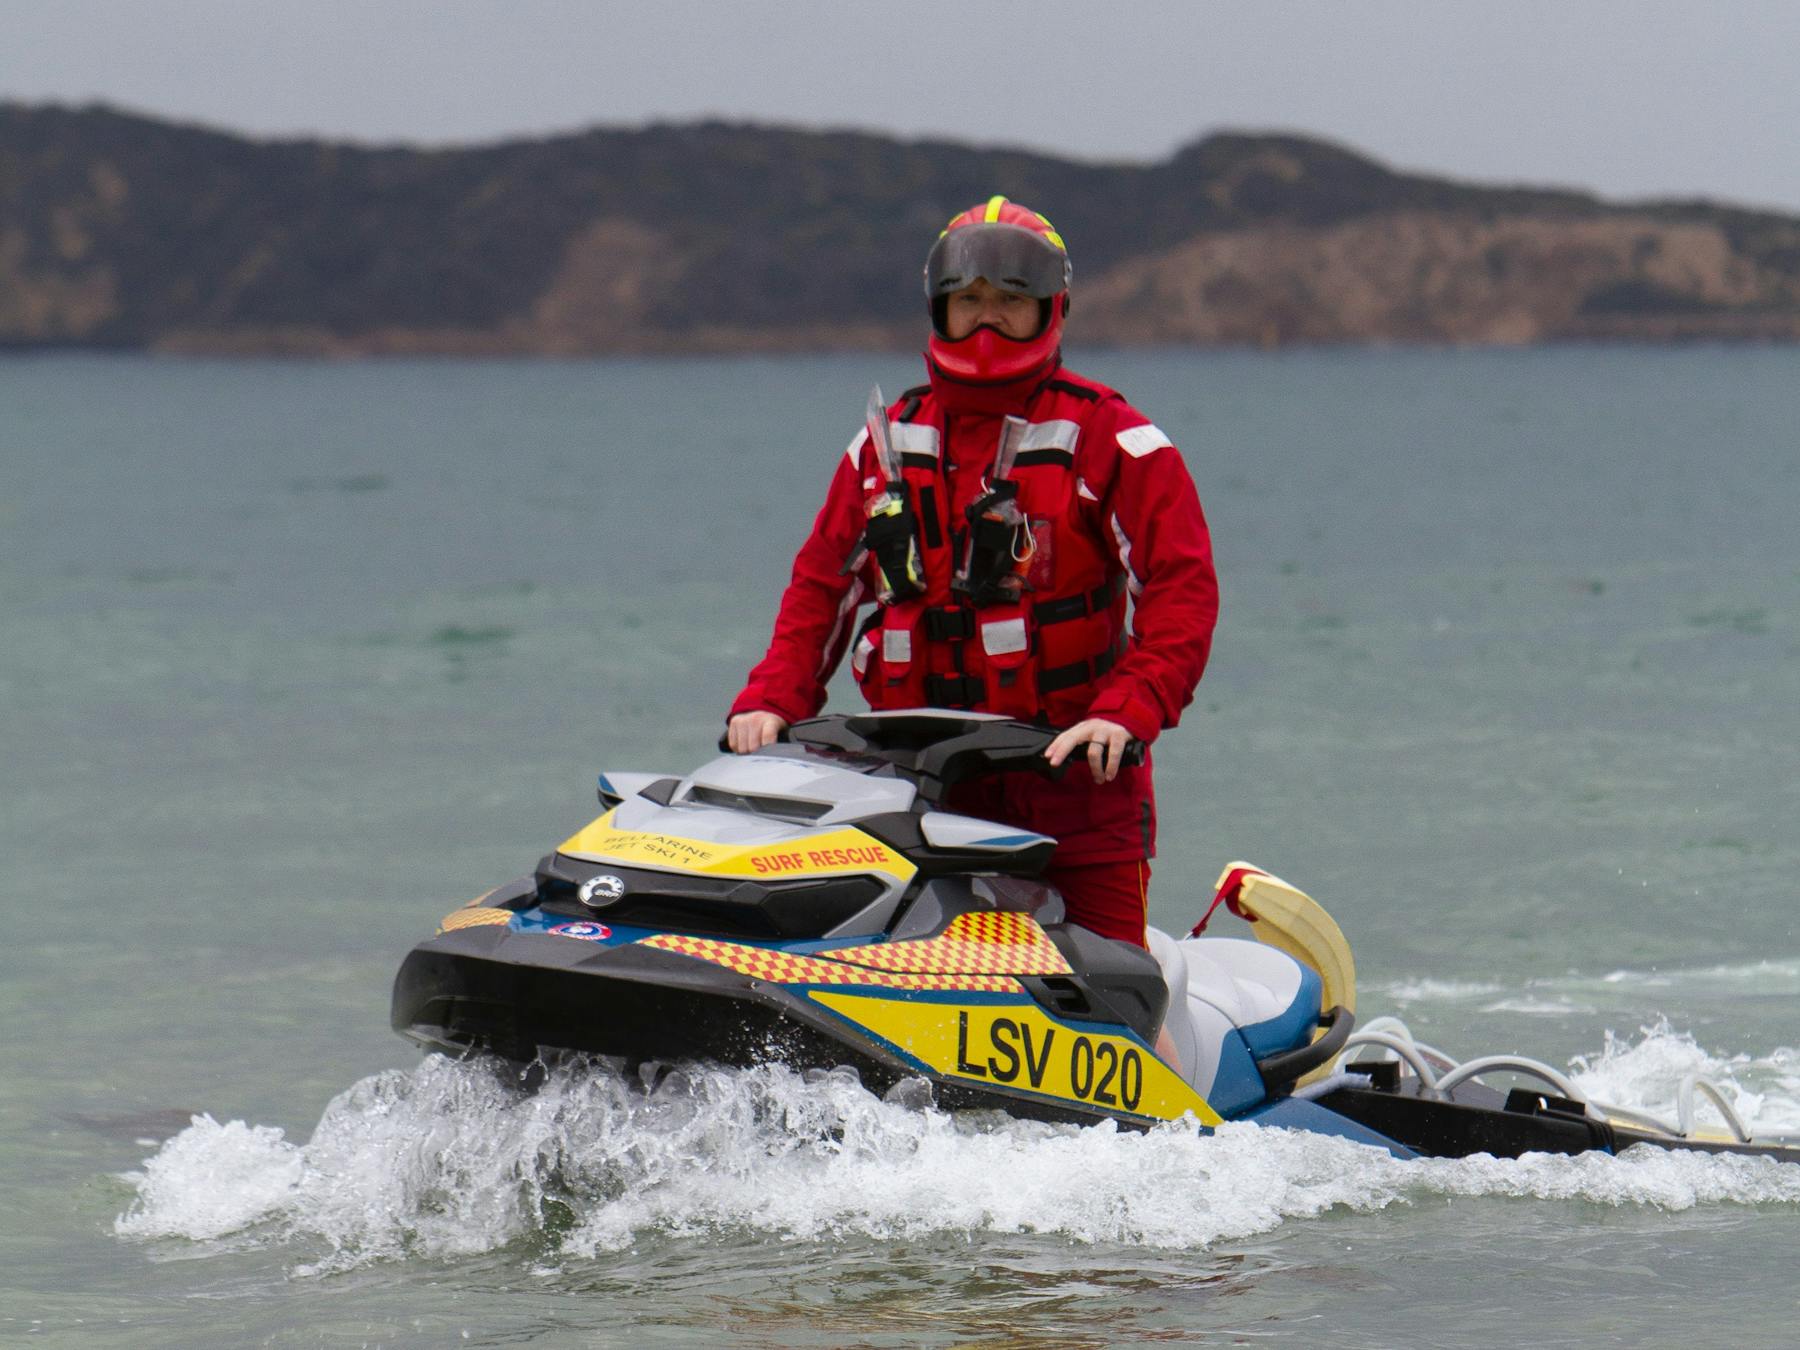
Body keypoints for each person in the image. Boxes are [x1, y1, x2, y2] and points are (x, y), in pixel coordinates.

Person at [727, 196, 1217, 947]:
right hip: (911, 792)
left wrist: (1128, 708)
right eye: (971, 303)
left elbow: (1181, 592)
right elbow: (821, 588)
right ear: (940, 308)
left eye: (1009, 304)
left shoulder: (1115, 438)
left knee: (1120, 997)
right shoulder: (881, 448)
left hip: (1074, 790)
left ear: (1051, 307)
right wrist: (769, 700)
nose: (987, 326)